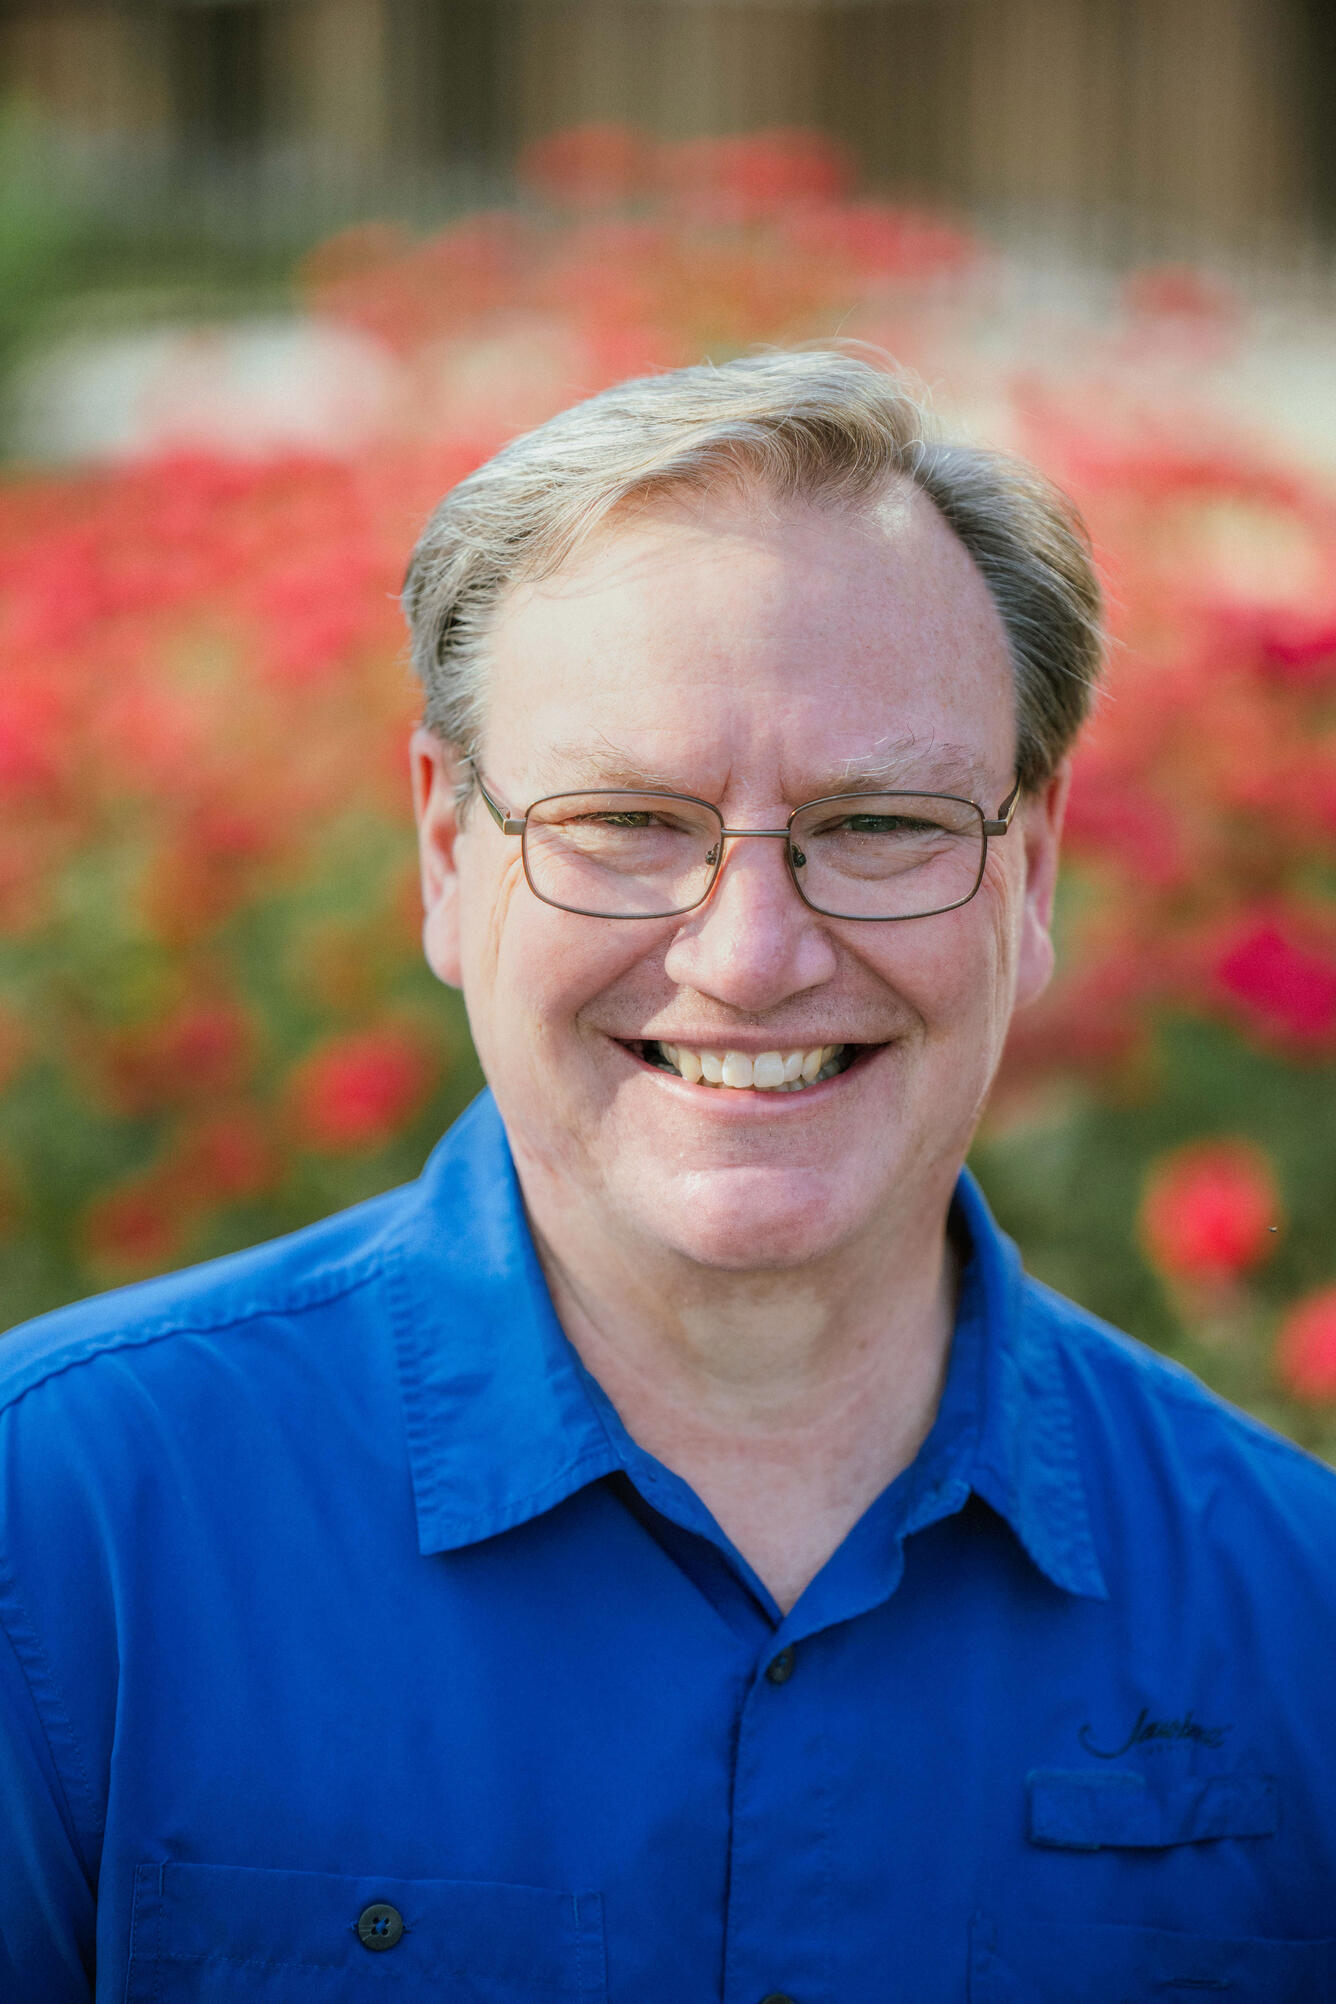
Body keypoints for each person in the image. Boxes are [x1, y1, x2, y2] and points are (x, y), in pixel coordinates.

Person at [2, 351, 1333, 2004]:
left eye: (882, 822)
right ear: (444, 854)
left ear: (1034, 866)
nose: (755, 954)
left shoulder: (1301, 1613)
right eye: (628, 819)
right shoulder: (60, 1539)